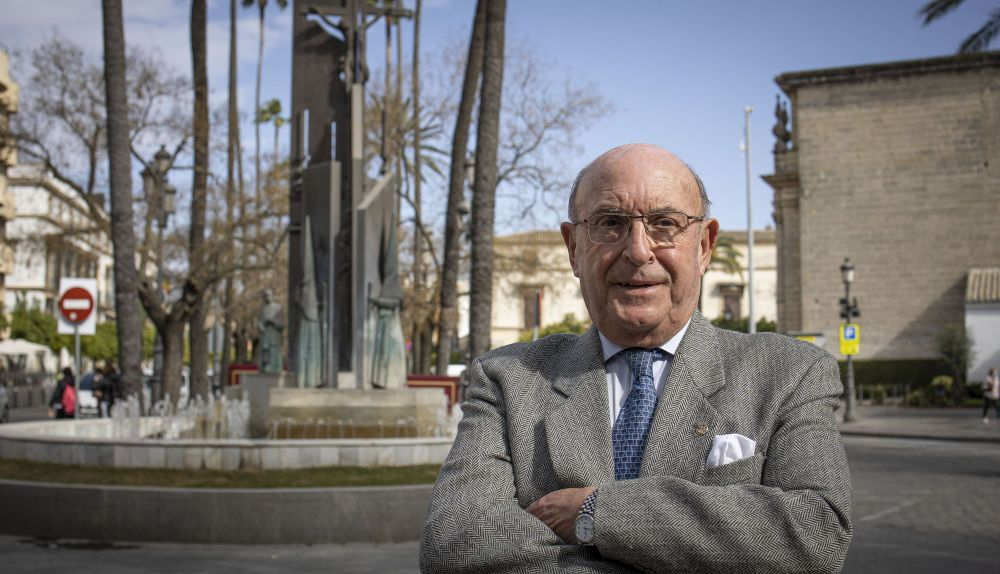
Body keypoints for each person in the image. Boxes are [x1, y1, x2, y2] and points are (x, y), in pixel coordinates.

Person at [421, 144, 853, 573]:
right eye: (610, 223)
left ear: (704, 246)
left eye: (665, 224)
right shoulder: (507, 380)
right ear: (573, 248)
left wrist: (596, 513)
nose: (638, 251)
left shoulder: (790, 374)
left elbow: (816, 533)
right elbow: (455, 542)